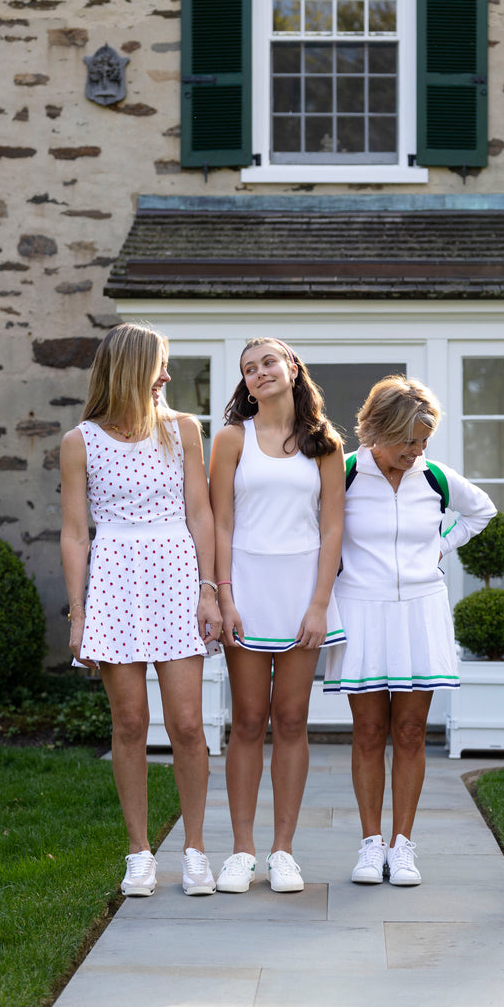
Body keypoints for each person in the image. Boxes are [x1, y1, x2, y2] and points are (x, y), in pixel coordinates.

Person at [60, 322, 222, 898]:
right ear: (130, 369)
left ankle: (196, 850)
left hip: (176, 577)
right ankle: (139, 854)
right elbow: (75, 534)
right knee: (129, 724)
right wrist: (78, 615)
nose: (168, 376)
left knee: (187, 725)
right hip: (114, 582)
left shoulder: (183, 430)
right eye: (159, 366)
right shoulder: (80, 441)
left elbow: (200, 514)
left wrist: (209, 590)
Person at [323, 376, 497, 886]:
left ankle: (402, 847)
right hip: (361, 611)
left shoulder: (434, 477)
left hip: (421, 611)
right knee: (367, 732)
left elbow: (482, 511)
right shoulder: (344, 473)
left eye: (424, 441)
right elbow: (316, 529)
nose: (418, 451)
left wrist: (439, 547)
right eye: (409, 441)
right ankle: (369, 845)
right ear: (378, 430)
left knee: (411, 731)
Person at [208, 337, 345, 894]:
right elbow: (220, 523)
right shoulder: (230, 439)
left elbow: (332, 529)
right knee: (246, 721)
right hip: (245, 590)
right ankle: (241, 852)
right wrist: (224, 596)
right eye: (249, 368)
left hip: (301, 594)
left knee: (291, 720)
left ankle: (283, 852)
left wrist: (319, 603)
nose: (260, 372)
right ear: (245, 382)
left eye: (268, 361)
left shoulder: (325, 443)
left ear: (291, 368)